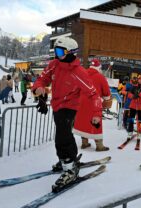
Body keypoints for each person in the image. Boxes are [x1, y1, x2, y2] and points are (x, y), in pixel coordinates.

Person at [31, 36, 102, 192]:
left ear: (70, 53)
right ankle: (68, 160)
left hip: (70, 106)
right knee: (64, 134)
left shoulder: (79, 72)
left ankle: (69, 167)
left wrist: (97, 113)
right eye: (55, 51)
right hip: (56, 105)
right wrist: (38, 87)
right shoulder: (54, 65)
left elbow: (93, 94)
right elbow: (42, 78)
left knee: (61, 137)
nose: (56, 55)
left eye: (59, 51)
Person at [73, 58, 112, 151]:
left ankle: (84, 143)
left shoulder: (83, 74)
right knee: (96, 121)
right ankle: (99, 146)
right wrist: (107, 98)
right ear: (98, 67)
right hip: (94, 102)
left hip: (81, 102)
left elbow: (76, 88)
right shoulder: (100, 77)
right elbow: (106, 91)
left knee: (83, 121)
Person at [121, 74, 141, 150]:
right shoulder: (134, 86)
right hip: (133, 106)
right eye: (140, 79)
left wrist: (140, 94)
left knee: (139, 121)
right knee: (131, 120)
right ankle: (130, 133)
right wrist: (133, 96)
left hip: (140, 107)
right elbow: (129, 94)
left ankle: (139, 133)